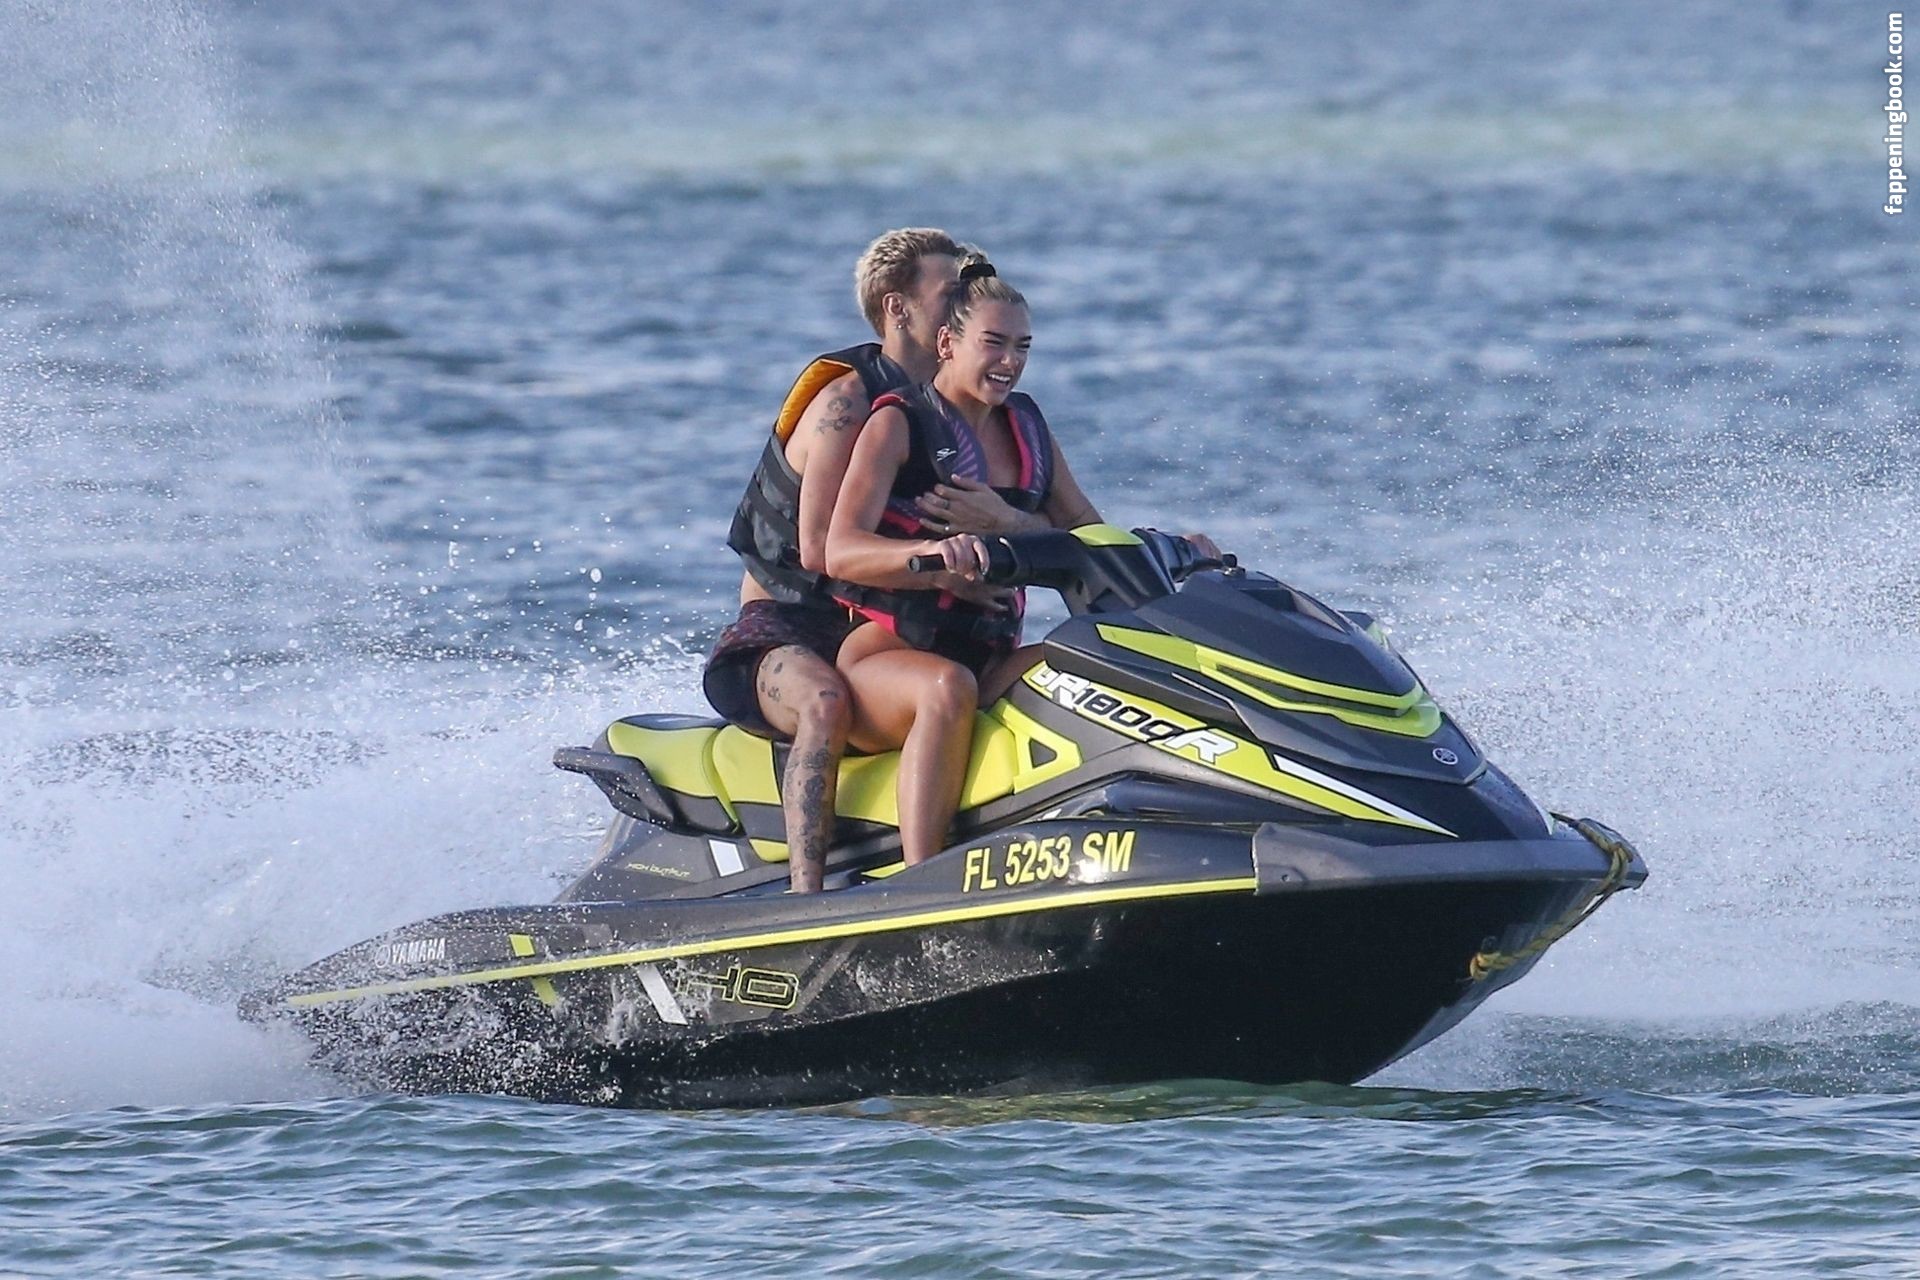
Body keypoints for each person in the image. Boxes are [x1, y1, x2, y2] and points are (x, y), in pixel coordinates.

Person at [704, 230, 1042, 892]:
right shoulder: (848, 402)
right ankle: (806, 898)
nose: (968, 300)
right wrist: (945, 572)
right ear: (898, 308)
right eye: (951, 291)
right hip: (791, 625)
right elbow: (818, 550)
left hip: (880, 620)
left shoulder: (946, 412)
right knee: (825, 701)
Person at [824, 263, 1110, 869]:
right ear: (947, 343)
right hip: (884, 663)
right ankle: (921, 881)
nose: (1011, 361)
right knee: (946, 687)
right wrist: (933, 563)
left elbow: (1089, 535)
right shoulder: (897, 423)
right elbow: (839, 550)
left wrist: (1176, 550)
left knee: (1093, 662)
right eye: (994, 343)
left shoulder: (1028, 428)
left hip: (991, 659)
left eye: (1023, 347)